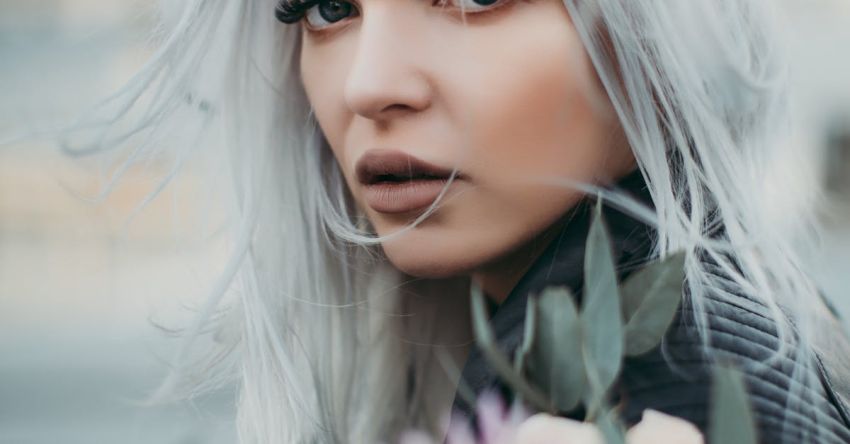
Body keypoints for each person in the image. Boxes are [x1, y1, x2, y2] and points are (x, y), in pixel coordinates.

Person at [61, 0, 850, 442]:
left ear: (657, 30)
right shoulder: (738, 319)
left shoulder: (648, 382)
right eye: (329, 6)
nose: (370, 84)